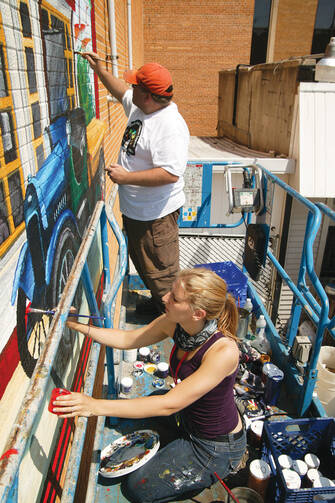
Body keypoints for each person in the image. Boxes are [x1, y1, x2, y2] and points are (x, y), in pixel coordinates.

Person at [53, 268, 246, 503]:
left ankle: (212, 471)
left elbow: (168, 405)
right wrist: (77, 326)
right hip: (187, 417)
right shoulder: (175, 323)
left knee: (137, 488)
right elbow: (127, 340)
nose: (165, 298)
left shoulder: (224, 351)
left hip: (213, 446)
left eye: (174, 298)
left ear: (197, 313)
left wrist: (93, 406)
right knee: (154, 398)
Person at [81, 53, 190, 314]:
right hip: (138, 214)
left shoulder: (169, 126)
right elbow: (121, 93)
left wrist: (125, 178)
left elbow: (170, 173)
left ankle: (181, 335)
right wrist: (100, 70)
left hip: (156, 220)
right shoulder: (143, 106)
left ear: (149, 94)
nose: (130, 88)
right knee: (146, 268)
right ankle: (158, 309)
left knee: (164, 282)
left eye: (136, 86)